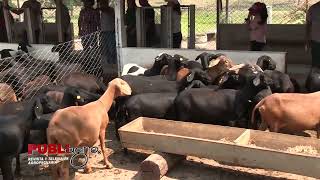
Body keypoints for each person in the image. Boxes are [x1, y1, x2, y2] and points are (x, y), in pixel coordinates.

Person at [99, 0, 116, 65]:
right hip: (103, 31)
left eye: (103, 3)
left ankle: (113, 63)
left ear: (106, 3)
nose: (101, 4)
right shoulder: (101, 11)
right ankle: (108, 63)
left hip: (110, 31)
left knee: (111, 48)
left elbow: (106, 11)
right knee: (105, 49)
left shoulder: (110, 10)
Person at [306, 1, 320, 68]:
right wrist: (307, 39)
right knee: (316, 64)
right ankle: (315, 77)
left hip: (315, 40)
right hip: (316, 41)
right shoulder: (313, 8)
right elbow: (308, 25)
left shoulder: (313, 8)